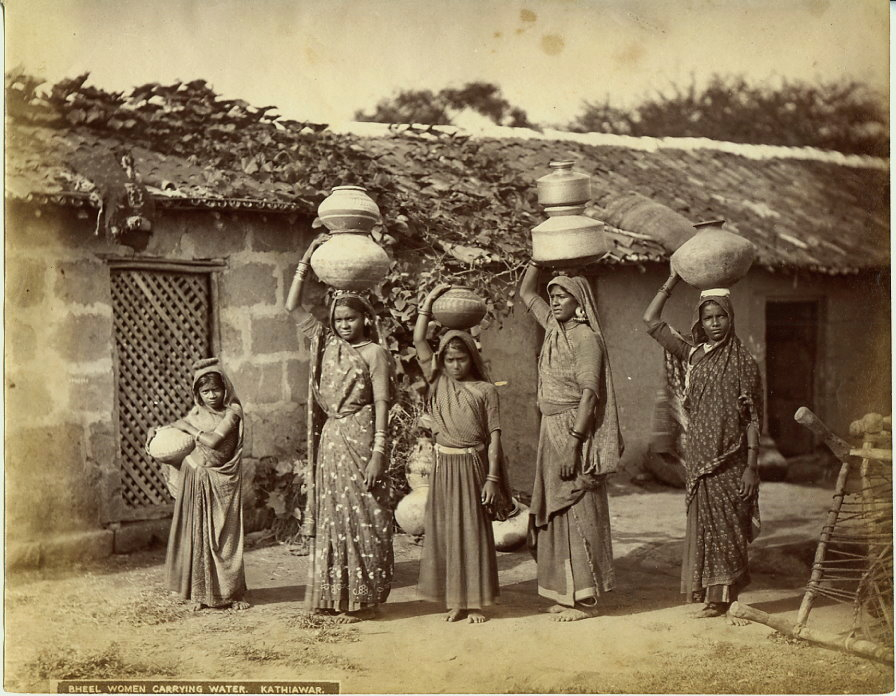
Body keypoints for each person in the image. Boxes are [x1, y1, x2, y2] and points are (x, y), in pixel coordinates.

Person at [286, 235, 394, 623]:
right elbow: (292, 305)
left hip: (362, 435)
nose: (343, 326)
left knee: (368, 513)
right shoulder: (325, 343)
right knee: (335, 514)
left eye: (350, 319)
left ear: (365, 318)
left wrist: (380, 451)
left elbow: (382, 402)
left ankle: (364, 598)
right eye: (338, 320)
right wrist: (306, 257)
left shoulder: (375, 353)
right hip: (333, 438)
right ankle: (335, 597)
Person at [643, 270, 762, 619]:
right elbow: (651, 321)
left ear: (731, 317)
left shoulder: (743, 363)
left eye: (721, 316)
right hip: (699, 459)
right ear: (699, 320)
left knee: (729, 525)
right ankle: (712, 596)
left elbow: (752, 418)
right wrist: (672, 280)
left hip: (732, 458)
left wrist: (752, 467)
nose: (715, 324)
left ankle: (725, 595)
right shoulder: (693, 356)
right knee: (706, 527)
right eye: (708, 317)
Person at [519, 263, 623, 622]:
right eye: (555, 295)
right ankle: (566, 592)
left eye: (564, 295)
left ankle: (585, 599)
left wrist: (574, 443)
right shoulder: (553, 328)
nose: (556, 300)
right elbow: (526, 293)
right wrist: (537, 261)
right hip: (552, 428)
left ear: (580, 302)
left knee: (577, 507)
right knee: (556, 511)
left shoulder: (585, 339)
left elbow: (589, 396)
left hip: (573, 431)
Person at [412, 285, 513, 623]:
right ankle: (455, 600)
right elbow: (419, 341)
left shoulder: (485, 391)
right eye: (449, 359)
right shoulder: (438, 380)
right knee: (447, 531)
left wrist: (492, 479)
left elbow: (495, 437)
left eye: (462, 358)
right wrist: (428, 303)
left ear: (473, 357)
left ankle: (474, 602)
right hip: (444, 465)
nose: (455, 365)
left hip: (472, 466)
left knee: (472, 531)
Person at [163, 357, 249, 611]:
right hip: (196, 475)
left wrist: (188, 427)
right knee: (197, 533)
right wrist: (158, 432)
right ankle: (200, 593)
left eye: (216, 390)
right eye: (205, 391)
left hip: (223, 478)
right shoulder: (197, 413)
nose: (212, 395)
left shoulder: (232, 411)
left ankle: (232, 594)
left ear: (225, 389)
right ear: (198, 393)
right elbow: (175, 429)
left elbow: (213, 441)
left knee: (225, 536)